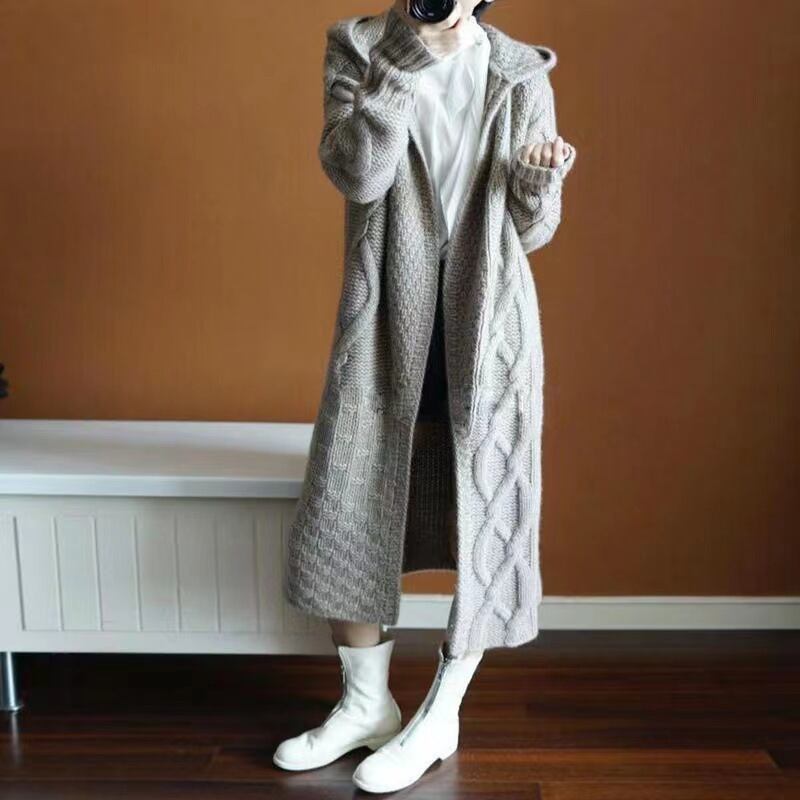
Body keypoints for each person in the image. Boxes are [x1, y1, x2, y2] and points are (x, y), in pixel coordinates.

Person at [275, 0, 577, 792]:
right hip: (384, 318)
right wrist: (398, 70)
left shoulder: (520, 72)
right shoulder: (359, 46)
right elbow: (357, 173)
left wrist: (537, 181)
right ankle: (364, 705)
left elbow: (533, 231)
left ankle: (441, 714)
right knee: (347, 505)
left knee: (485, 515)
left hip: (487, 327)